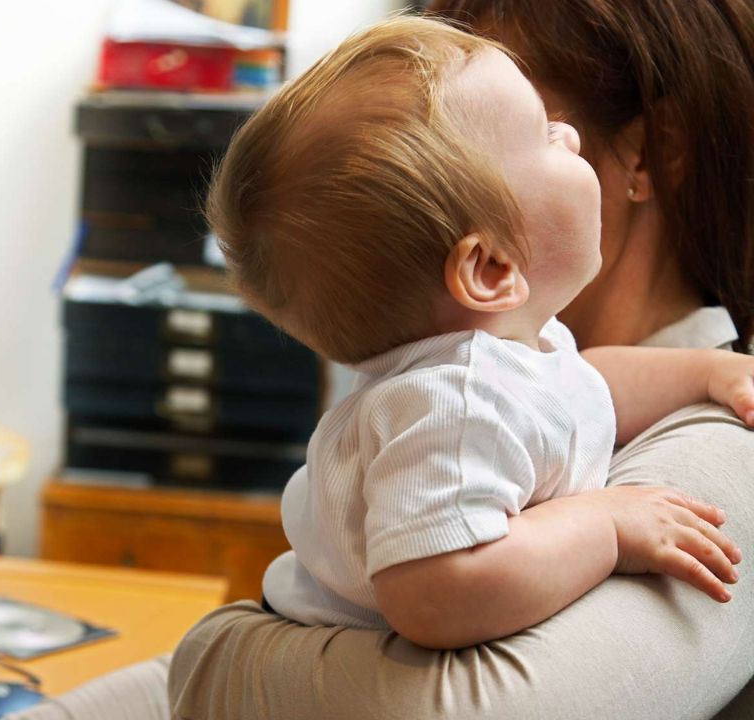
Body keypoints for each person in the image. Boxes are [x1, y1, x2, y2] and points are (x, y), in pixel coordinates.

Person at [165, 1, 754, 718]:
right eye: (540, 133)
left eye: (556, 118)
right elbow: (436, 595)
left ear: (655, 149)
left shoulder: (511, 366)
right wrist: (602, 528)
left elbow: (591, 384)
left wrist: (710, 375)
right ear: (490, 267)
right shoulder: (454, 402)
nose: (564, 137)